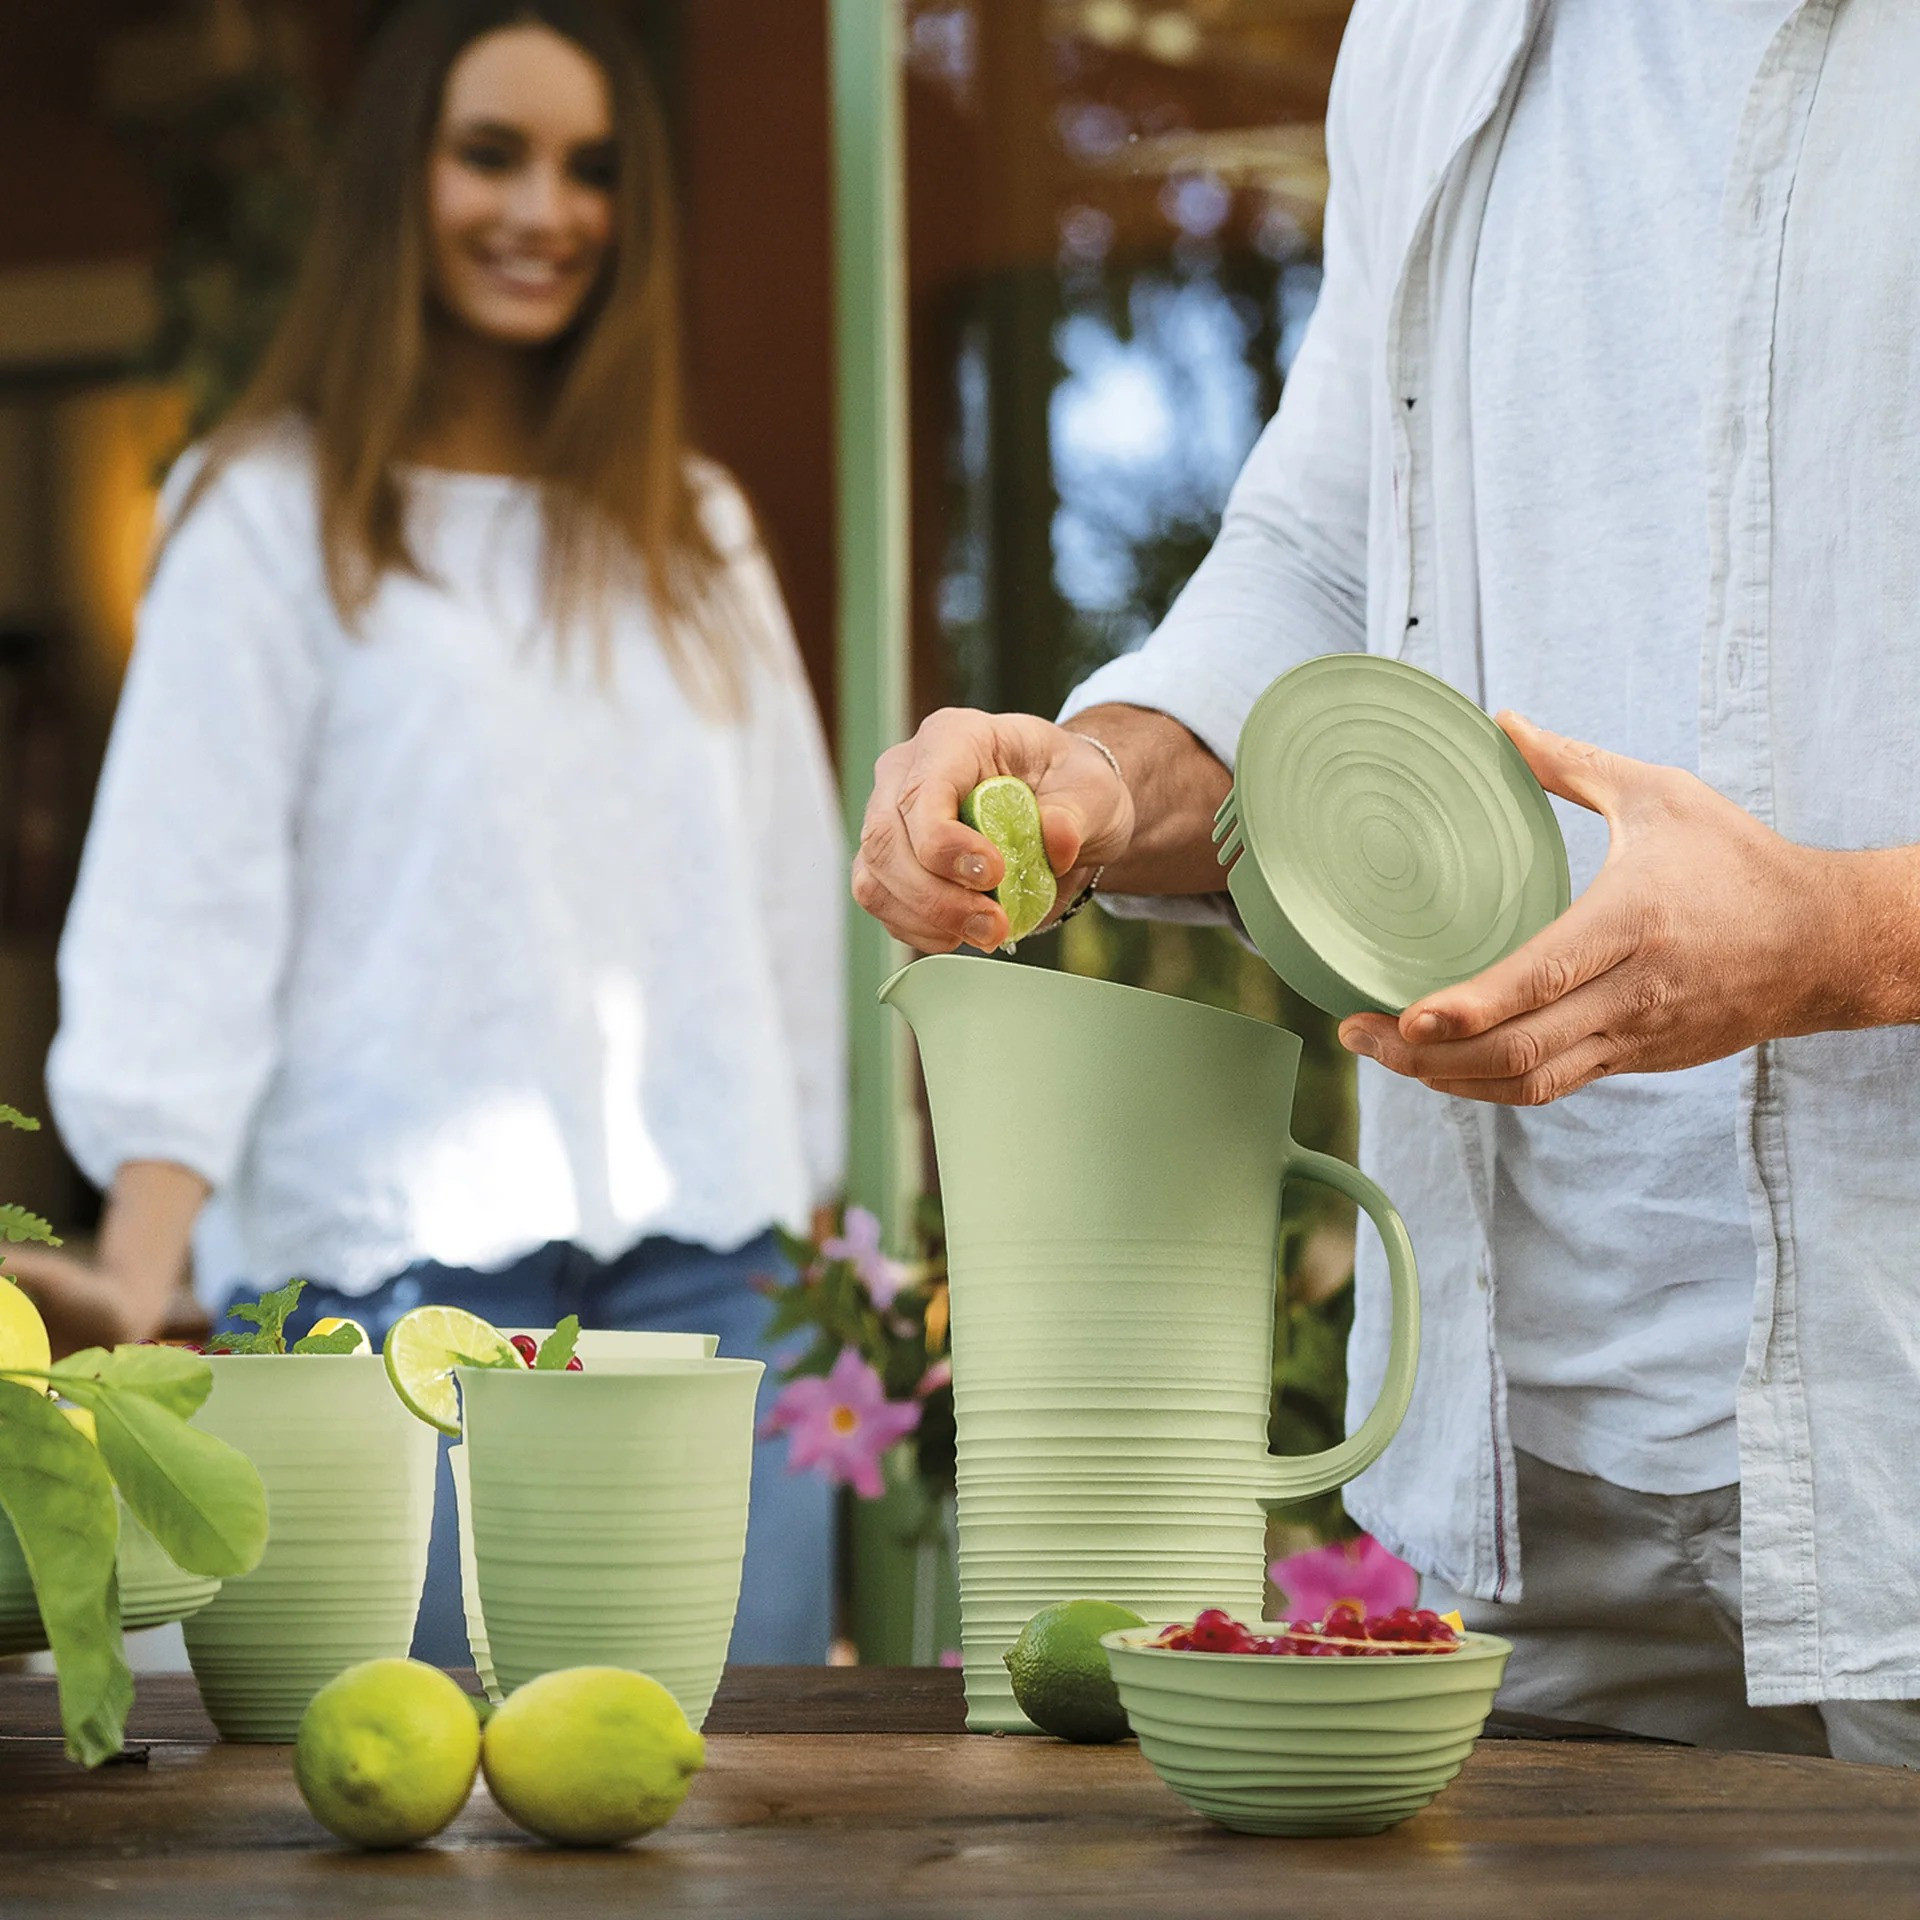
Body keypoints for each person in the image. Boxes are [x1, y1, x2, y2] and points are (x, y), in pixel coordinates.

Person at [854, 0, 1920, 1760]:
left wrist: (1840, 942)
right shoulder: (1434, 30)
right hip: (1530, 1484)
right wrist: (1108, 772)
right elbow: (1332, 553)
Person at [10, 0, 845, 1666]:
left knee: (741, 1822)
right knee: (407, 1820)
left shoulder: (694, 529)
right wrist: (136, 1265)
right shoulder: (261, 514)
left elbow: (784, 908)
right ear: (404, 178)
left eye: (591, 171)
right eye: (494, 155)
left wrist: (820, 1242)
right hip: (381, 1291)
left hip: (714, 1287)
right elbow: (192, 910)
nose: (546, 211)